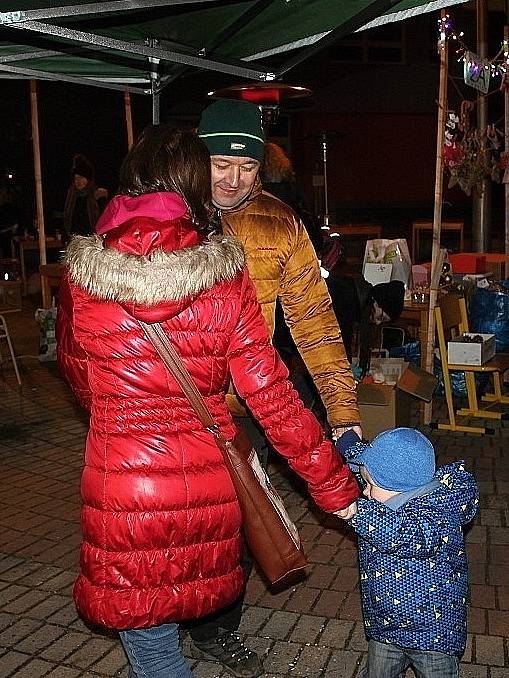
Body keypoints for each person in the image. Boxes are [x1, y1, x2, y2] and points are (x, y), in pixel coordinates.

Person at [56, 125, 359, 678]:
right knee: (175, 617)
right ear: (195, 187)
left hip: (123, 481)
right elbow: (271, 394)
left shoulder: (80, 275)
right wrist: (333, 485)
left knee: (150, 641)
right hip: (208, 477)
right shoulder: (225, 273)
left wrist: (122, 417)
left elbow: (79, 377)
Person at [191, 99, 362, 675]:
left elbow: (315, 323)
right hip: (175, 407)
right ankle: (173, 612)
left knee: (242, 524)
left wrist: (343, 412)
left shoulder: (280, 224)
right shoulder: (172, 216)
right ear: (198, 158)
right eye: (220, 164)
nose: (232, 180)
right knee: (183, 523)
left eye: (246, 167)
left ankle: (219, 628)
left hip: (244, 406)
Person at [336, 427, 479, 678]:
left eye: (369, 485)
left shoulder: (436, 517)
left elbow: (402, 534)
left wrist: (357, 512)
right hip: (386, 626)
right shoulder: (393, 487)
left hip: (432, 634)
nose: (365, 491)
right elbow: (366, 464)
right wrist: (347, 440)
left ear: (397, 487)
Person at [62, 153, 108, 239]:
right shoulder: (71, 196)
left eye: (81, 178)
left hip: (92, 240)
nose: (78, 181)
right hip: (74, 240)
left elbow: (104, 220)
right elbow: (66, 218)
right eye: (76, 178)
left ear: (88, 179)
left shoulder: (97, 195)